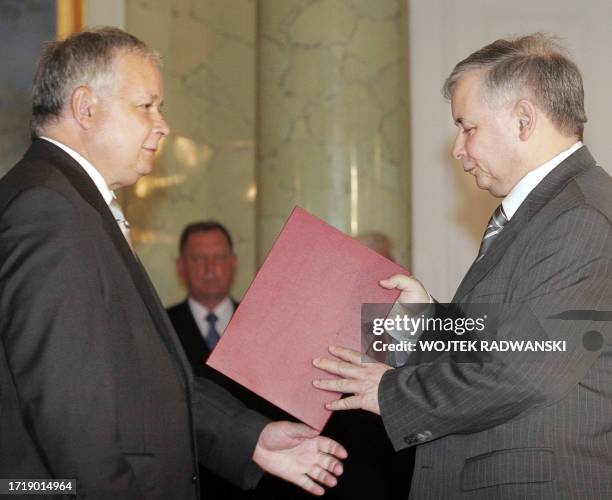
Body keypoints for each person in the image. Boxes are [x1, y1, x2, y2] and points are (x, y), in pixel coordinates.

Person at [0, 27, 346, 500]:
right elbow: (72, 416)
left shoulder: (68, 202)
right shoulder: (52, 210)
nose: (162, 124)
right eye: (146, 106)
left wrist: (252, 439)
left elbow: (147, 379)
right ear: (85, 107)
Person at [313, 33, 612, 498]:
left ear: (523, 120)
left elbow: (527, 368)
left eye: (467, 127)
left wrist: (390, 392)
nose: (457, 148)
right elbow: (516, 338)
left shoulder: (581, 216)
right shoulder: (555, 209)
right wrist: (427, 320)